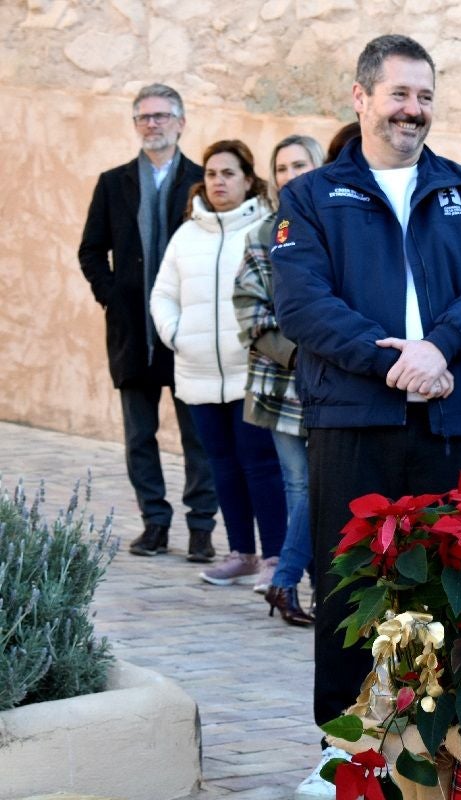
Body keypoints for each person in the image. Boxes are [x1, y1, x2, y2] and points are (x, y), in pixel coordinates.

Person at [269, 35, 461, 799]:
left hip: (454, 417)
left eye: (423, 96)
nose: (413, 110)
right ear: (361, 96)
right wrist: (393, 363)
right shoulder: (310, 197)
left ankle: (446, 747)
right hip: (354, 417)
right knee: (349, 589)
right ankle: (343, 751)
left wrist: (437, 351)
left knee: (456, 588)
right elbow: (302, 305)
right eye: (399, 94)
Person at [78, 83, 217, 562]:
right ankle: (154, 523)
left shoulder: (203, 181)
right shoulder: (112, 182)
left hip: (187, 331)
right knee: (139, 435)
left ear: (181, 122)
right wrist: (112, 297)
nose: (152, 124)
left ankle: (201, 527)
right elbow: (91, 250)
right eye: (144, 117)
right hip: (132, 330)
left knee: (197, 434)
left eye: (161, 116)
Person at [149, 140, 287, 589]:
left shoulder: (266, 227)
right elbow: (162, 294)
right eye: (211, 174)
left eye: (228, 173)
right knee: (222, 466)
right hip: (197, 372)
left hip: (249, 372)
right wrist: (177, 336)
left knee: (261, 465)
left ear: (248, 179)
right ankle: (241, 553)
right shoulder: (187, 234)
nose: (218, 182)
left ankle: (274, 558)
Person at [233, 134, 326, 625]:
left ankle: (294, 584)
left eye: (301, 164)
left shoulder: (340, 228)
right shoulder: (262, 234)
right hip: (282, 388)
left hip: (336, 384)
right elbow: (250, 312)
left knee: (317, 488)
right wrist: (300, 355)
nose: (292, 175)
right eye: (283, 167)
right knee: (303, 488)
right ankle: (291, 581)